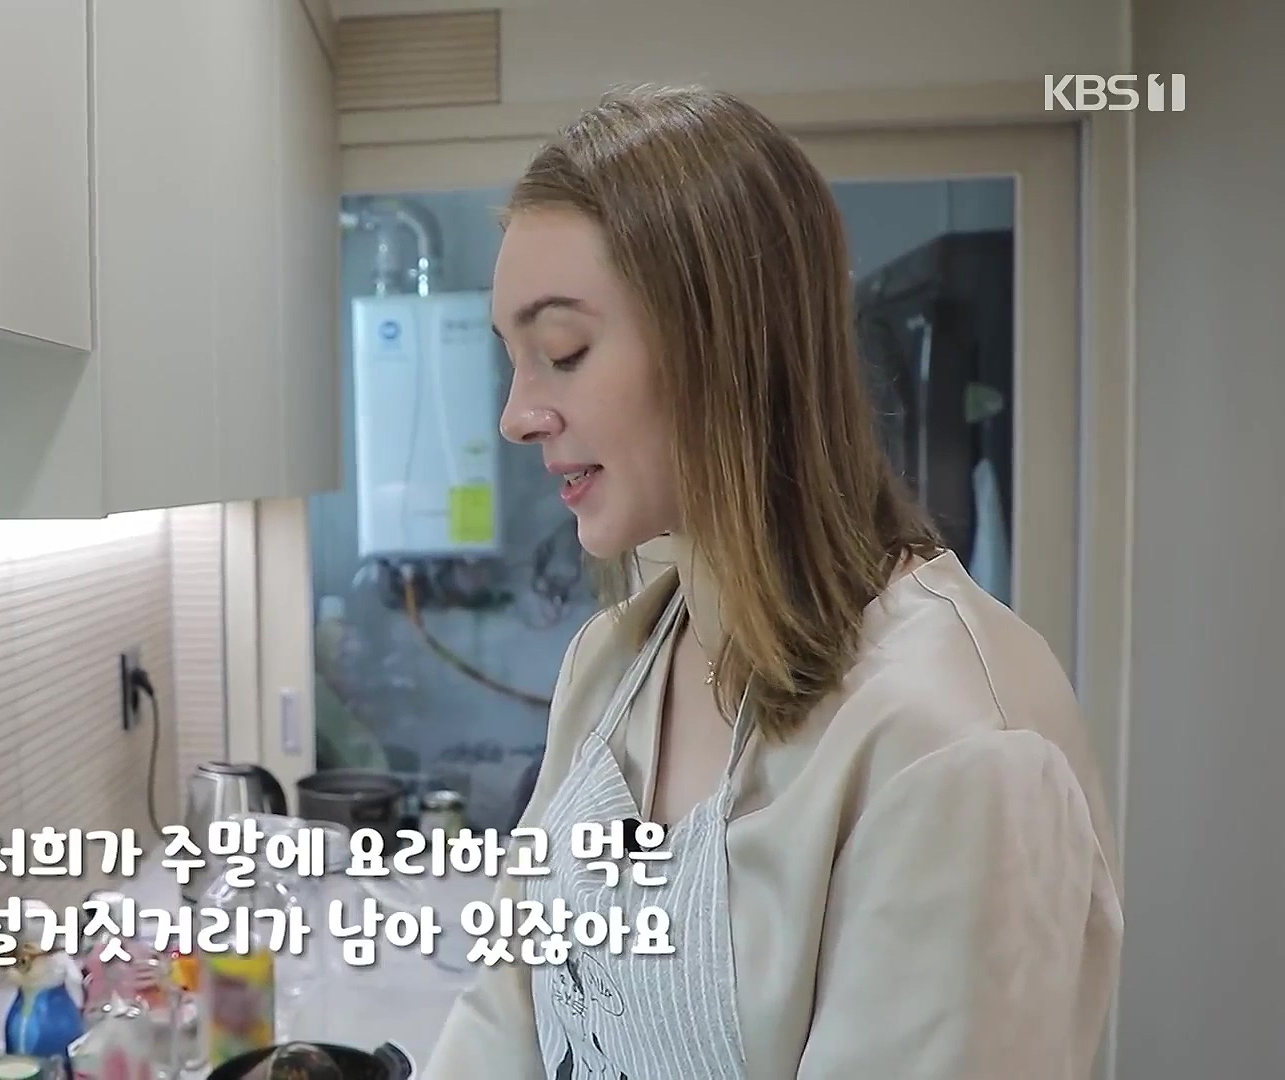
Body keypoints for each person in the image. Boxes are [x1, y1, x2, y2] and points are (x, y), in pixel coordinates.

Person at [420, 85, 1122, 1080]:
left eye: (563, 353)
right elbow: (513, 1005)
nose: (517, 414)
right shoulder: (611, 664)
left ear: (726, 348)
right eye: (514, 361)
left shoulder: (955, 750)